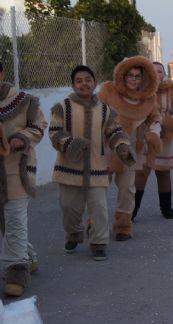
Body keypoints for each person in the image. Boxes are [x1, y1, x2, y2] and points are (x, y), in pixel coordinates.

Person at [49, 65, 133, 261]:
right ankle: (74, 234)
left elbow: (115, 132)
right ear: (73, 85)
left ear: (94, 83)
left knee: (100, 209)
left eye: (88, 79)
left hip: (97, 168)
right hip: (69, 169)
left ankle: (99, 242)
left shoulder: (105, 111)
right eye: (79, 81)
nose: (84, 84)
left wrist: (122, 146)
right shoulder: (62, 107)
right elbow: (54, 133)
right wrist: (72, 144)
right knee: (69, 209)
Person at [97, 56, 161, 241]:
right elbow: (94, 112)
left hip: (131, 150)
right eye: (130, 75)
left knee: (127, 189)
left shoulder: (148, 98)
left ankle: (123, 226)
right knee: (99, 188)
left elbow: (155, 119)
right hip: (106, 147)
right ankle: (95, 224)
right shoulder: (108, 90)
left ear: (144, 78)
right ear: (123, 76)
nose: (133, 79)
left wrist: (154, 133)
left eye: (138, 76)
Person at [0, 63, 47, 296]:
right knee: (4, 224)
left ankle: (16, 272)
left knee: (15, 219)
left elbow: (38, 127)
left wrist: (20, 139)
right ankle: (28, 256)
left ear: (2, 73)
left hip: (16, 169)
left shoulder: (25, 100)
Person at [132, 62, 173, 220]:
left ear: (164, 74)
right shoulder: (140, 89)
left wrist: (163, 123)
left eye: (160, 71)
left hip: (165, 139)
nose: (157, 74)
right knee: (141, 173)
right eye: (153, 71)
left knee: (163, 173)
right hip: (145, 137)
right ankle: (132, 210)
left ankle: (166, 208)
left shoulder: (172, 90)